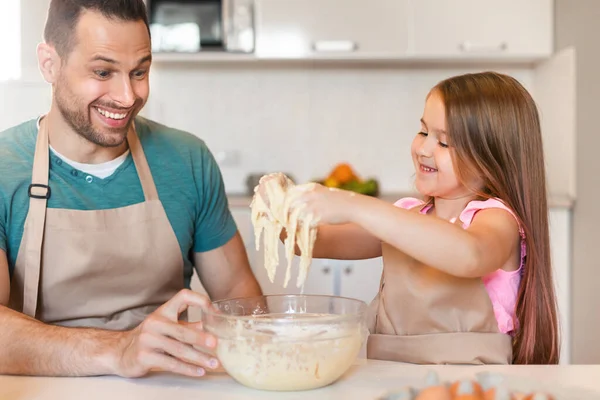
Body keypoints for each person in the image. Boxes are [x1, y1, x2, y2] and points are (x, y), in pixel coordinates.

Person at [0, 0, 262, 377]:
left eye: (139, 72)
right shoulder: (5, 168)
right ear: (49, 64)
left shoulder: (187, 160)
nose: (127, 97)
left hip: (170, 385)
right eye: (103, 72)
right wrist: (118, 350)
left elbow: (237, 292)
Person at [262, 72, 560, 364]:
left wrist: (354, 204)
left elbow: (470, 255)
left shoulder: (496, 221)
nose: (424, 149)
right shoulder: (405, 216)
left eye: (444, 142)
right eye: (423, 132)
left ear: (491, 157)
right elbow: (312, 242)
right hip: (389, 376)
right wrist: (277, 208)